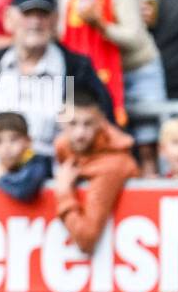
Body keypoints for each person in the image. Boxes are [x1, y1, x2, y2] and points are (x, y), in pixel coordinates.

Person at [0, 0, 114, 165]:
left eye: (43, 14)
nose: (35, 21)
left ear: (56, 20)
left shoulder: (75, 68)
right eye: (27, 14)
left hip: (52, 179)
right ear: (9, 18)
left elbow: (103, 121)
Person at [57, 0, 164, 168]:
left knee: (147, 140)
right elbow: (64, 38)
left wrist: (101, 25)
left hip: (138, 71)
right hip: (97, 77)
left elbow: (133, 37)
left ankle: (150, 181)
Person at [52, 89, 139, 255]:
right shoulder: (62, 147)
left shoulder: (112, 165)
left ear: (101, 122)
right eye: (73, 123)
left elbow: (87, 239)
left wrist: (63, 193)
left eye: (88, 124)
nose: (80, 133)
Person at [0, 110, 50, 201]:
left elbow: (23, 189)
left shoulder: (38, 162)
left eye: (13, 139)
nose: (6, 147)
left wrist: (1, 178)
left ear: (28, 141)